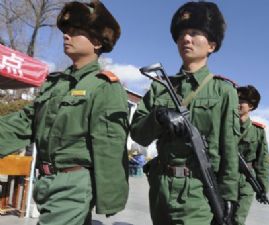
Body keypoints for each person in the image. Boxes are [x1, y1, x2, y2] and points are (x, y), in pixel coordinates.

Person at [0, 1, 129, 224]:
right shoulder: (55, 84)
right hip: (46, 183)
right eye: (66, 32)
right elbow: (25, 121)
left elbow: (110, 145)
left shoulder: (104, 86)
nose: (66, 36)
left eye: (75, 32)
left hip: (73, 185)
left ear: (97, 42)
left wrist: (111, 197)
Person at [130, 1, 240, 224]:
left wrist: (229, 196)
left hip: (198, 192)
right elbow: (138, 135)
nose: (186, 39)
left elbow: (229, 148)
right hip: (160, 187)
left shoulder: (223, 91)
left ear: (212, 45)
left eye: (194, 32)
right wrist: (158, 116)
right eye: (181, 34)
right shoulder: (160, 86)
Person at [233, 85, 269, 225]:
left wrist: (262, 188)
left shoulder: (257, 131)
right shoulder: (224, 124)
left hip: (246, 181)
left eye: (242, 100)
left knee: (238, 220)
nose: (237, 103)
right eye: (236, 99)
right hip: (223, 177)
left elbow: (262, 162)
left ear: (252, 106)